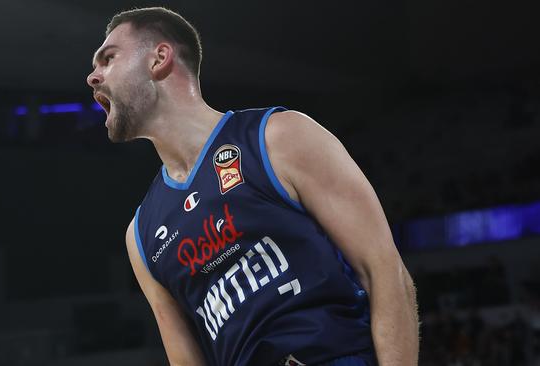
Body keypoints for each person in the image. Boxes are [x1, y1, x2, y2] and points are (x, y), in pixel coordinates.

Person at [86, 7, 419, 366]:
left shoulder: (281, 137)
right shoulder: (140, 236)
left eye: (108, 59)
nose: (93, 77)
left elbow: (385, 272)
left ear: (159, 58)